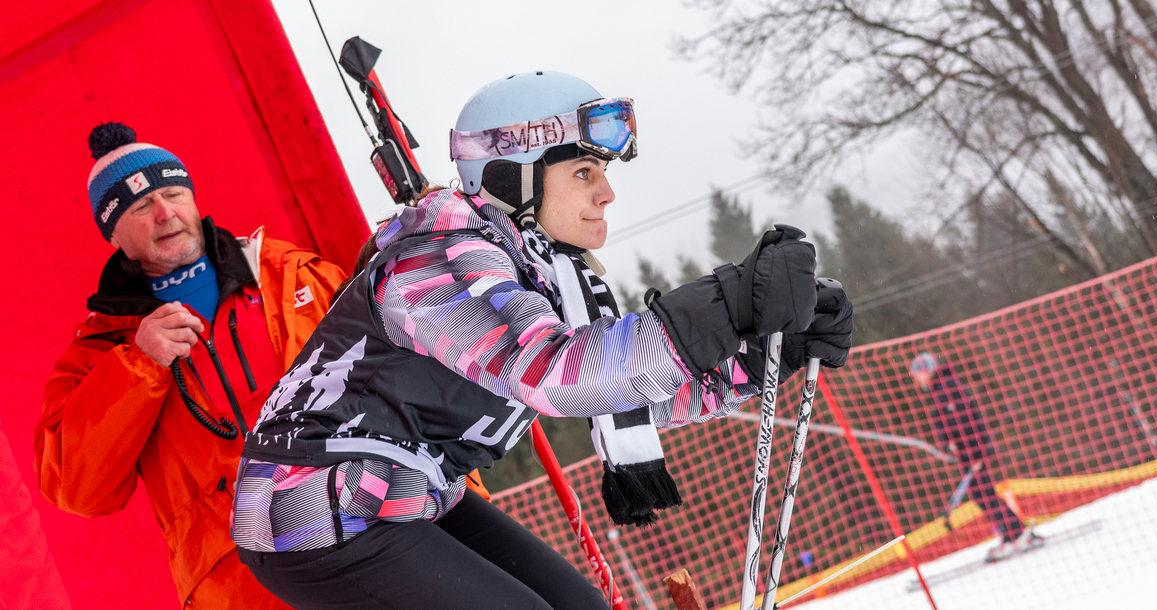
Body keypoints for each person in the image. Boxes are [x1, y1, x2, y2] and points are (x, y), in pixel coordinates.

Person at [231, 71, 855, 610]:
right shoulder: (437, 261)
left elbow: (622, 390)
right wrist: (723, 302)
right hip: (313, 508)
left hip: (407, 490)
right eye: (584, 171)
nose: (606, 192)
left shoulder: (548, 277)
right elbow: (555, 373)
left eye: (603, 172)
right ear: (513, 177)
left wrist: (763, 353)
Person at [34, 123, 349, 609]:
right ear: (113, 234)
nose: (165, 213)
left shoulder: (289, 272)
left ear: (194, 199)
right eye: (140, 207)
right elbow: (76, 489)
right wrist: (138, 364)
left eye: (174, 193)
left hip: (370, 521)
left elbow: (403, 377)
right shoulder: (98, 352)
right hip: (246, 584)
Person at [909, 351, 1040, 561]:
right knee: (981, 494)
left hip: (972, 452)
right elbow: (950, 426)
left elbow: (965, 422)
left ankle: (1016, 534)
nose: (917, 380)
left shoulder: (947, 389)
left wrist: (974, 454)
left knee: (982, 494)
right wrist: (948, 444)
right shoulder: (940, 390)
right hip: (967, 452)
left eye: (918, 375)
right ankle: (1012, 533)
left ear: (926, 371)